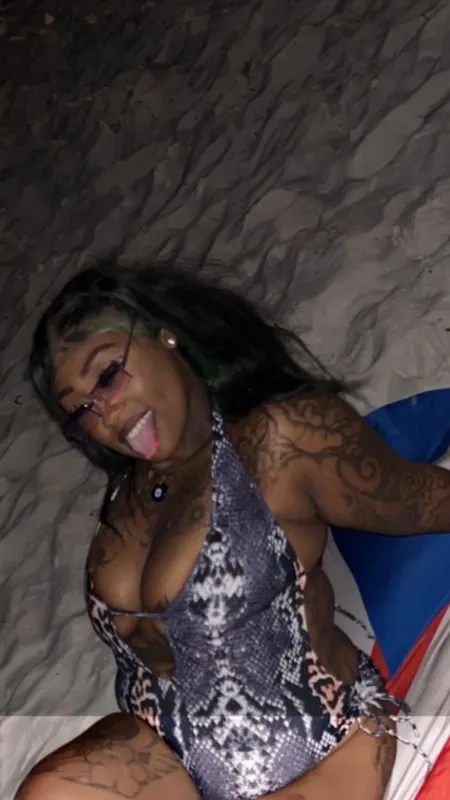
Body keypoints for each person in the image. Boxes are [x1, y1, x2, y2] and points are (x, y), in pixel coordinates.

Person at [18, 263, 448, 800]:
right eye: (81, 411)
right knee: (53, 791)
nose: (104, 414)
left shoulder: (279, 442)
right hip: (167, 758)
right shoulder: (130, 489)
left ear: (163, 334)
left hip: (329, 749)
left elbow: (419, 498)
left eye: (107, 376)